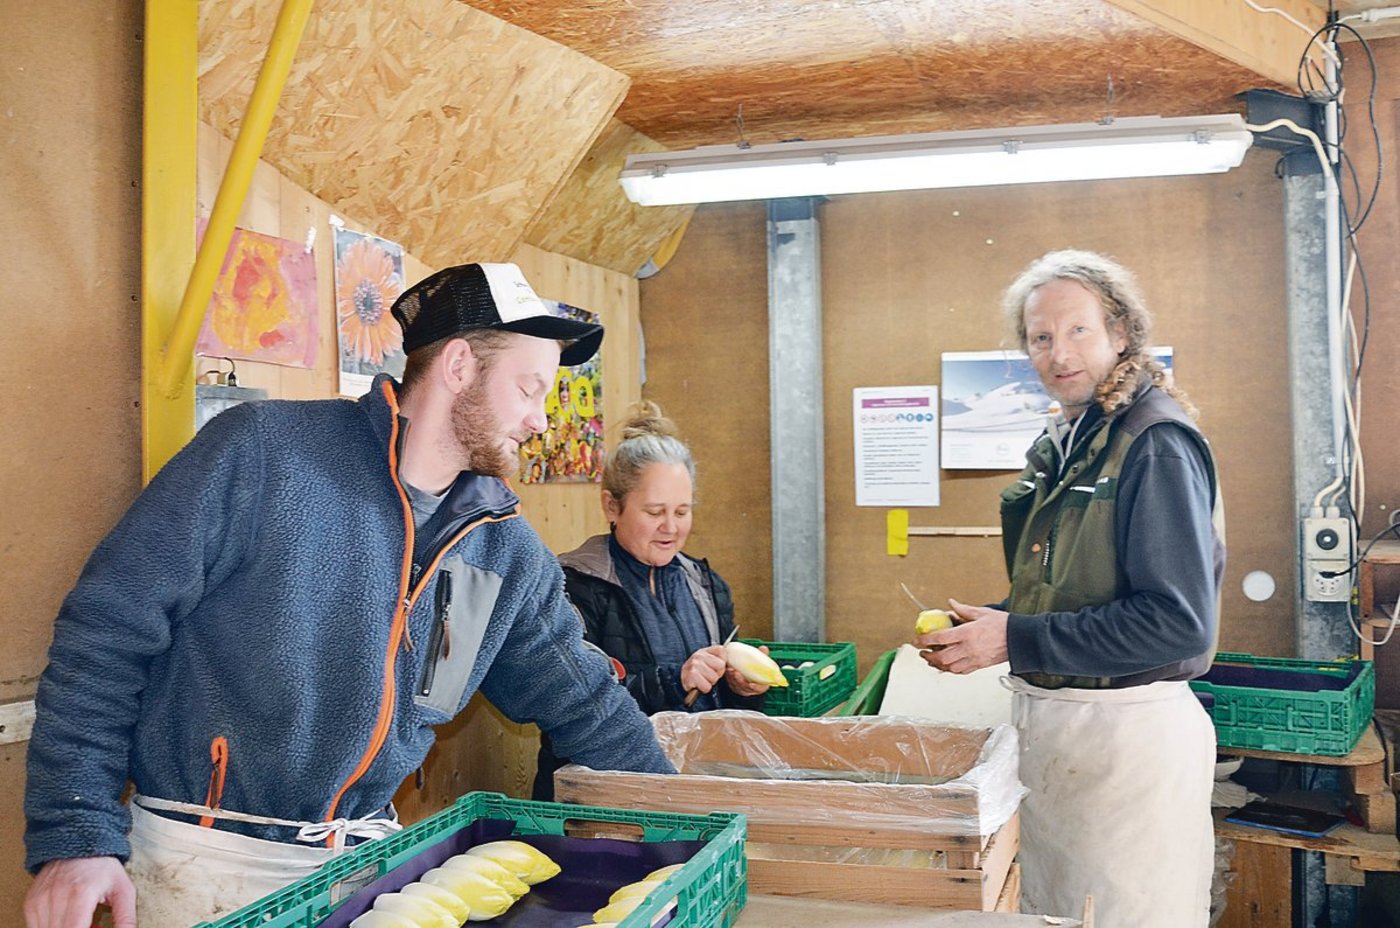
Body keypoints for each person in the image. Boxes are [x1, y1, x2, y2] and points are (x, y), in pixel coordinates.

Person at [24, 262, 675, 928]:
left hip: (367, 867)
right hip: (203, 857)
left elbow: (583, 700)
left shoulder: (502, 550)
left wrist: (691, 828)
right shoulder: (264, 453)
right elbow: (106, 635)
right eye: (530, 389)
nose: (540, 419)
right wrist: (75, 833)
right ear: (458, 366)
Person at [915, 250, 1225, 926]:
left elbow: (1178, 623)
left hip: (1127, 748)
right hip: (1065, 741)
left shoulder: (1153, 443)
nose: (1059, 353)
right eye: (1040, 337)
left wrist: (1016, 636)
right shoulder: (1076, 439)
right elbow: (1078, 592)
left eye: (1078, 330)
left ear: (1121, 332)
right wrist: (996, 622)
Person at [533, 404, 767, 801]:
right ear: (612, 506)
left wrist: (742, 686)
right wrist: (676, 681)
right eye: (655, 512)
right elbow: (574, 701)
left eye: (682, 511)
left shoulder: (705, 585)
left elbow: (723, 710)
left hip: (691, 787)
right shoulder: (572, 586)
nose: (670, 528)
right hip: (602, 796)